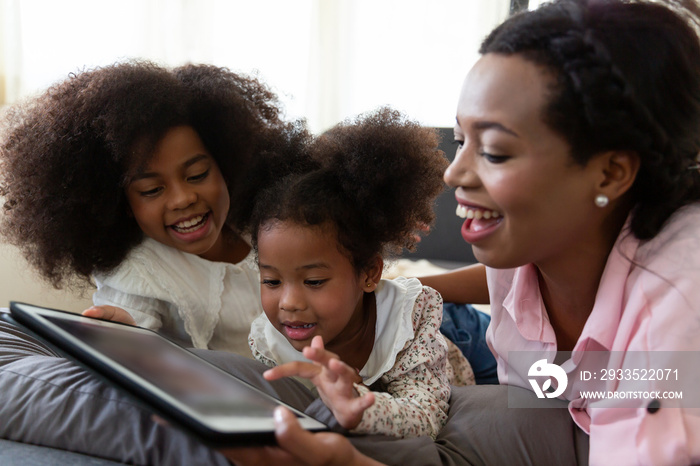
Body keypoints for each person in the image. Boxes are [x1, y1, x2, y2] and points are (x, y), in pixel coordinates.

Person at [224, 0, 700, 464]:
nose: (453, 175)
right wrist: (407, 289)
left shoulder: (677, 303)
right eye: (459, 140)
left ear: (610, 172)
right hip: (558, 408)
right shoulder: (524, 243)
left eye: (493, 151)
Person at [0, 61, 311, 356]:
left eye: (197, 175)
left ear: (225, 164)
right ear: (122, 205)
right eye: (151, 190)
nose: (182, 199)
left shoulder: (260, 220)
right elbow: (132, 326)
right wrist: (124, 332)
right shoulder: (140, 272)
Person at [246, 108, 474, 439]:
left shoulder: (408, 324)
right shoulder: (267, 342)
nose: (289, 303)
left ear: (369, 273)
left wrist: (359, 404)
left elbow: (425, 415)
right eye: (271, 281)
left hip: (465, 342)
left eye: (313, 282)